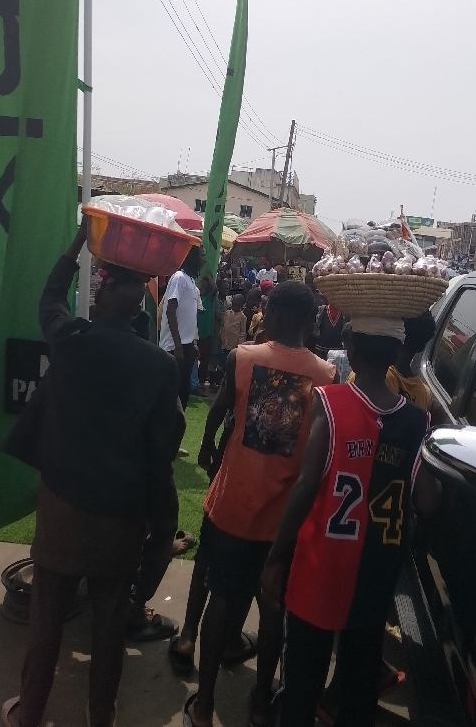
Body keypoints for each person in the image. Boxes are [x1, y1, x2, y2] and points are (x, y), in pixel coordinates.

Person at [1, 219, 182, 727]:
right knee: (108, 629)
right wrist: (159, 523)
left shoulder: (71, 341)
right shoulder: (159, 367)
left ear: (99, 300)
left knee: (46, 621)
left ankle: (29, 712)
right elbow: (162, 450)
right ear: (139, 310)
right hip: (121, 518)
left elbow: (50, 299)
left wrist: (80, 239)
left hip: (62, 506)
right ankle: (100, 715)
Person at [262, 323, 439, 727]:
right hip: (376, 571)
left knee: (302, 681)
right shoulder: (417, 421)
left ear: (352, 351)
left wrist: (275, 558)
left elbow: (306, 486)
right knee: (359, 685)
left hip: (321, 565)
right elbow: (428, 503)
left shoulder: (331, 402)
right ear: (395, 356)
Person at [180, 281, 336, 727]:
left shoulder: (242, 358)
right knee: (273, 611)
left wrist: (208, 447)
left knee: (220, 600)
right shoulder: (326, 376)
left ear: (274, 315)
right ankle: (262, 703)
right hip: (283, 520)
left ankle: (204, 706)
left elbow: (219, 410)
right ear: (310, 321)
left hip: (232, 506)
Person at [160, 245, 205, 410]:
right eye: (201, 255)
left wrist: (192, 343)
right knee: (173, 395)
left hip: (186, 345)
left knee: (184, 394)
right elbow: (170, 311)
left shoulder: (191, 281)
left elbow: (188, 316)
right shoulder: (179, 278)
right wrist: (178, 345)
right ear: (192, 257)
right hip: (174, 346)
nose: (204, 259)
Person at [197, 274, 218, 394]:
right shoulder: (197, 296)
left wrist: (208, 275)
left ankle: (201, 382)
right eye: (202, 285)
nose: (203, 287)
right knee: (194, 359)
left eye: (206, 285)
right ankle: (193, 382)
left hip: (206, 333)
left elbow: (215, 288)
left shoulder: (210, 297)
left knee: (204, 359)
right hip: (195, 333)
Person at [219, 293, 247, 370]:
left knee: (231, 364)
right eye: (234, 305)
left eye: (237, 305)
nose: (235, 307)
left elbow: (242, 332)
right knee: (222, 363)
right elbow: (222, 325)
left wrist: (240, 345)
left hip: (234, 346)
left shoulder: (242, 317)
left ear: (241, 305)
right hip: (224, 344)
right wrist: (221, 336)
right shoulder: (227, 313)